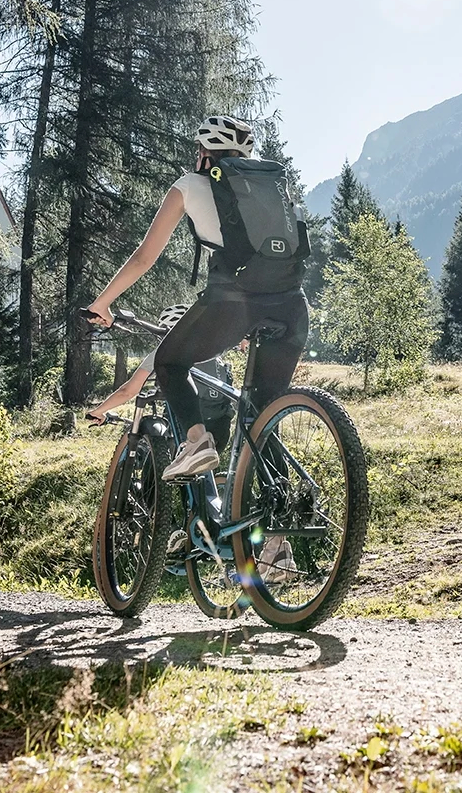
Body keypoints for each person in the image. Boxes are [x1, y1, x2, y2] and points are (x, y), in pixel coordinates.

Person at [85, 116, 309, 582]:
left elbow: (146, 256)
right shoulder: (271, 185)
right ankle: (278, 549)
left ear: (205, 153)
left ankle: (195, 443)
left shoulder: (190, 183)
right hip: (291, 307)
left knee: (169, 360)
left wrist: (103, 302)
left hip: (233, 303)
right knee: (262, 418)